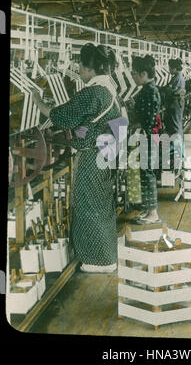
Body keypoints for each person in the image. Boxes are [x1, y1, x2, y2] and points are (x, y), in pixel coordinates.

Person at [32, 43, 121, 273]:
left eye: (80, 66)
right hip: (105, 153)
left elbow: (63, 116)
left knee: (88, 205)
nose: (79, 70)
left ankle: (98, 260)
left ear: (88, 68)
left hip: (92, 158)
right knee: (101, 205)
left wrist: (38, 102)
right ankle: (107, 255)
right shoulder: (109, 87)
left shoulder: (93, 92)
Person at [130, 55, 161, 225]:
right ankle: (148, 209)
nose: (133, 77)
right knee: (145, 172)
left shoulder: (150, 91)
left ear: (143, 73)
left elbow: (148, 119)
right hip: (149, 136)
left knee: (147, 173)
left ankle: (153, 213)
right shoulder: (149, 89)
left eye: (135, 73)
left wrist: (138, 130)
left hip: (148, 137)